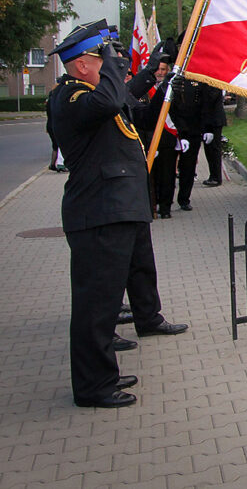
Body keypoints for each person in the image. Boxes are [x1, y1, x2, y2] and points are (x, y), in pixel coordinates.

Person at [48, 20, 188, 408]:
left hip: (112, 207)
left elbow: (123, 96)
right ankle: (94, 386)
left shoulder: (92, 94)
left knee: (105, 301)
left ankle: (102, 374)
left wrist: (151, 69)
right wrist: (113, 58)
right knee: (96, 305)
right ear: (81, 66)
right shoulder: (71, 97)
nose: (111, 64)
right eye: (101, 57)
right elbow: (112, 99)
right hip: (98, 211)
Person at [137, 58, 177, 219]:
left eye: (163, 70)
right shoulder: (143, 90)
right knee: (151, 176)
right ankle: (152, 205)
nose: (160, 73)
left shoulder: (172, 87)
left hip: (167, 136)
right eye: (158, 69)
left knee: (167, 174)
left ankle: (165, 207)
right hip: (148, 137)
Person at [170, 74, 204, 211]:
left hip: (192, 130)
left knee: (188, 168)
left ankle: (184, 198)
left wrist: (207, 129)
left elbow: (204, 105)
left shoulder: (198, 81)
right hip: (172, 129)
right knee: (167, 168)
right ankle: (165, 201)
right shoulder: (173, 80)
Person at [200, 83, 227, 186]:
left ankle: (216, 177)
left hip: (213, 121)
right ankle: (213, 175)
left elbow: (209, 101)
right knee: (209, 150)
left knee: (214, 149)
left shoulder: (212, 84)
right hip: (209, 120)